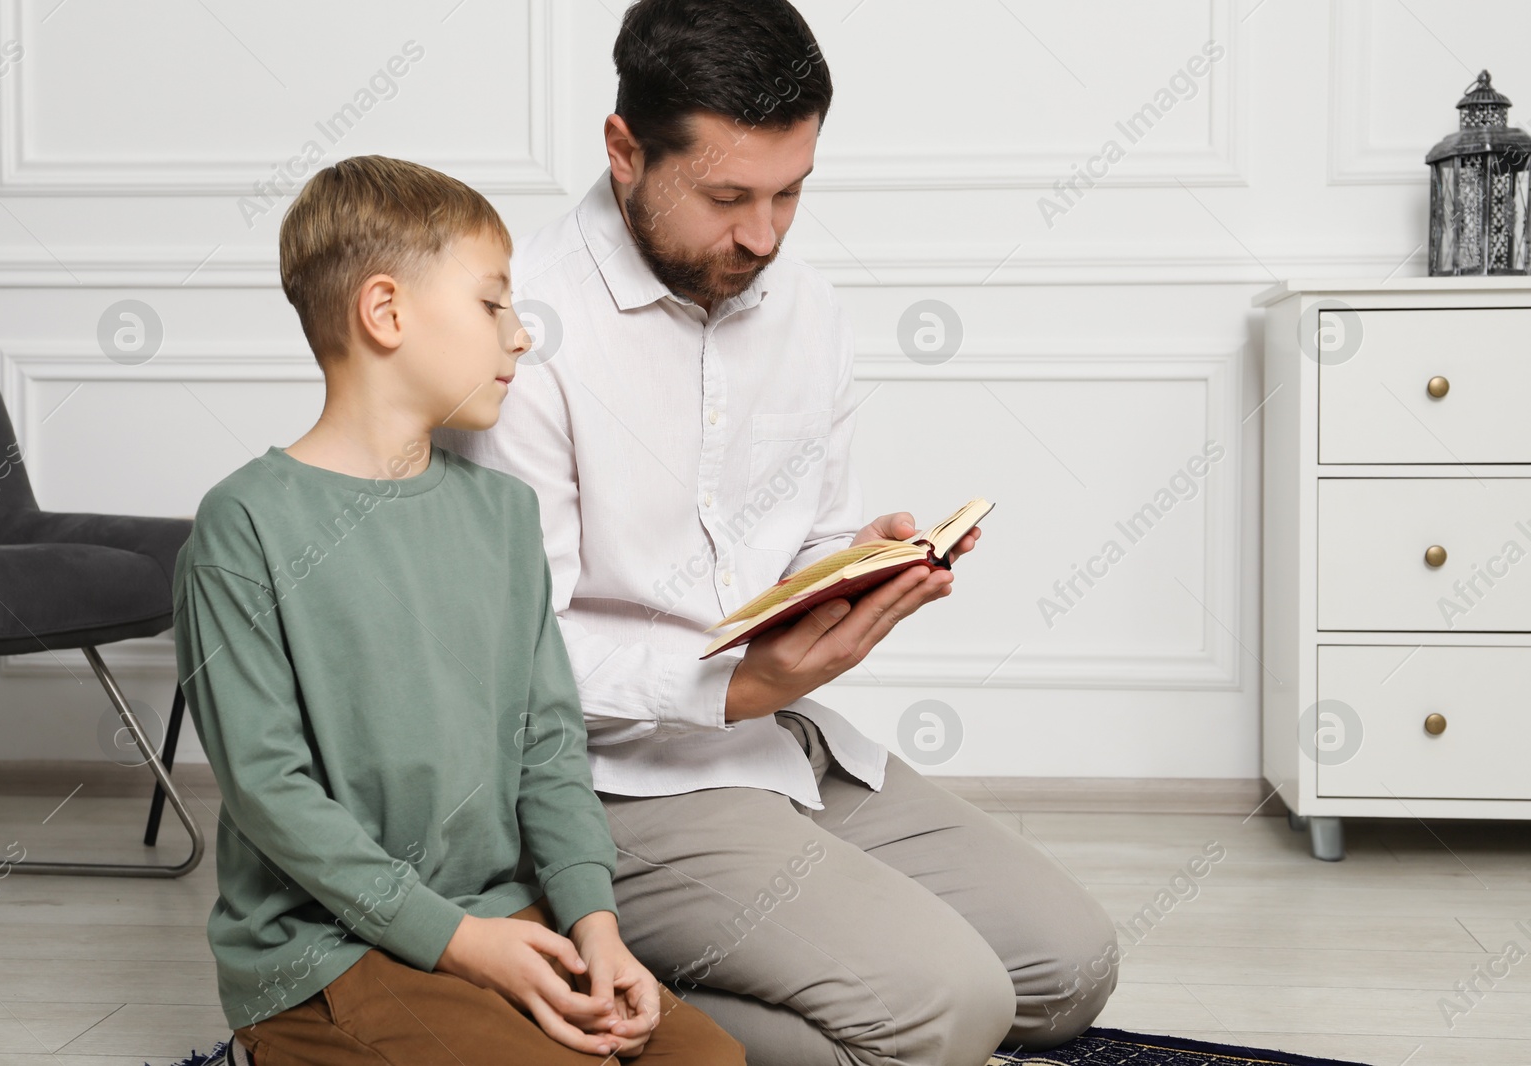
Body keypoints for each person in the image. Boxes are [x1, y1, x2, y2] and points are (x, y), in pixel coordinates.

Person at [434, 2, 1121, 1063]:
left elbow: (800, 539)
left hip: (780, 746)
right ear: (625, 152)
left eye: (790, 193)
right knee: (949, 1010)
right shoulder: (519, 329)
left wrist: (851, 571)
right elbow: (515, 651)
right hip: (609, 783)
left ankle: (659, 963)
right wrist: (729, 687)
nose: (762, 234)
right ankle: (586, 973)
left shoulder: (806, 304)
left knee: (1067, 966)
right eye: (726, 197)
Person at [171, 154, 745, 1065]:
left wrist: (596, 925)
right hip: (322, 952)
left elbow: (548, 748)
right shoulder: (244, 525)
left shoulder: (505, 516)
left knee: (708, 1059)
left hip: (502, 916)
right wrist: (460, 944)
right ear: (386, 312)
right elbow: (269, 793)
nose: (520, 337)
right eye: (492, 305)